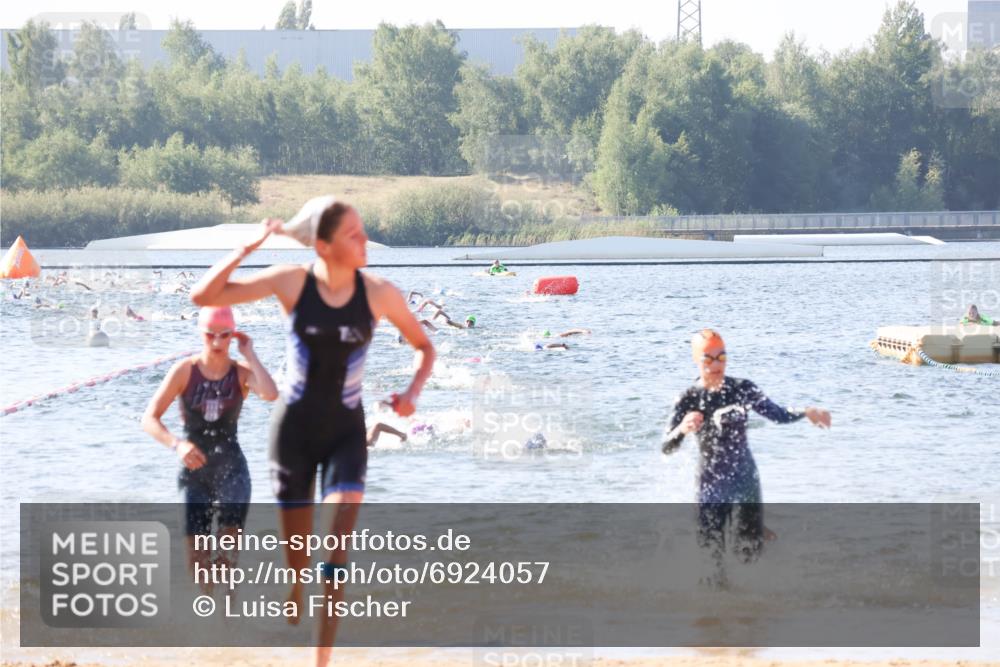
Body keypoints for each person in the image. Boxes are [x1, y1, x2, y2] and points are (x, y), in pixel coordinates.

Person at [190, 196, 435, 666]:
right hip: (293, 434)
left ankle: (319, 660)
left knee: (335, 558)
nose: (365, 240)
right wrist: (246, 247)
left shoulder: (381, 292)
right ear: (323, 246)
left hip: (346, 432)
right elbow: (204, 297)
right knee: (300, 557)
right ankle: (295, 582)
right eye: (354, 234)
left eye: (363, 231)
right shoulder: (291, 282)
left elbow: (425, 347)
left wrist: (411, 393)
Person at [661, 329, 830, 586]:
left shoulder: (743, 388)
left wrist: (807, 412)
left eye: (721, 357)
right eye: (708, 359)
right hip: (711, 488)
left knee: (747, 557)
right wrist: (683, 429)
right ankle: (712, 620)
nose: (716, 365)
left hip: (745, 483)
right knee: (711, 567)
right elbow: (666, 446)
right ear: (697, 359)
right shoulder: (689, 398)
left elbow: (778, 413)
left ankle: (750, 618)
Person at [141, 306, 278, 591]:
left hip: (233, 473)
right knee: (196, 559)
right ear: (200, 334)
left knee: (228, 557)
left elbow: (270, 393)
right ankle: (207, 622)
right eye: (210, 336)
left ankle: (227, 622)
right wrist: (177, 445)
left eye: (224, 336)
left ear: (232, 336)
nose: (217, 343)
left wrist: (250, 354)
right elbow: (149, 418)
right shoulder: (184, 371)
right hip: (194, 473)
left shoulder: (241, 373)